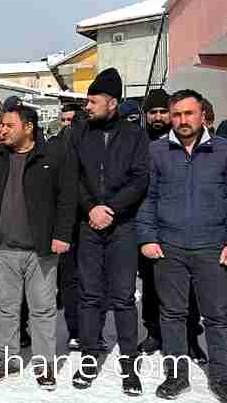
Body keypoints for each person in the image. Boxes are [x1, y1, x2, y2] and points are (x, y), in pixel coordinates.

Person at [0, 105, 76, 389]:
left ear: (28, 127)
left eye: (9, 125)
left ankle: (44, 366)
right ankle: (6, 360)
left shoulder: (52, 155)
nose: (2, 130)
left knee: (43, 310)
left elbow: (67, 198)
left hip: (41, 251)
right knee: (5, 308)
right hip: (4, 250)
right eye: (1, 125)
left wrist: (62, 234)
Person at [137, 89, 227, 402]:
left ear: (203, 115)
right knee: (172, 315)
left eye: (189, 114)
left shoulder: (223, 151)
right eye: (177, 115)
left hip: (212, 247)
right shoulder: (157, 152)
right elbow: (147, 198)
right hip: (169, 247)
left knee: (218, 316)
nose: (182, 120)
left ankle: (222, 376)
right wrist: (147, 237)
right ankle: (176, 377)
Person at [70, 68, 149, 395]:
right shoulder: (79, 133)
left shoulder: (134, 136)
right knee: (89, 295)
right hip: (88, 226)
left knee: (123, 298)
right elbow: (71, 177)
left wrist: (111, 209)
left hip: (122, 227)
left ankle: (129, 366)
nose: (87, 106)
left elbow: (140, 179)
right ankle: (89, 357)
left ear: (112, 102)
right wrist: (91, 208)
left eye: (93, 101)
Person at [137, 88, 205, 361]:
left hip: (188, 233)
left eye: (163, 112)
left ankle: (190, 337)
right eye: (152, 112)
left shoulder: (192, 142)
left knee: (190, 291)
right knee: (152, 287)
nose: (158, 117)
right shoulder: (142, 144)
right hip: (154, 230)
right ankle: (154, 332)